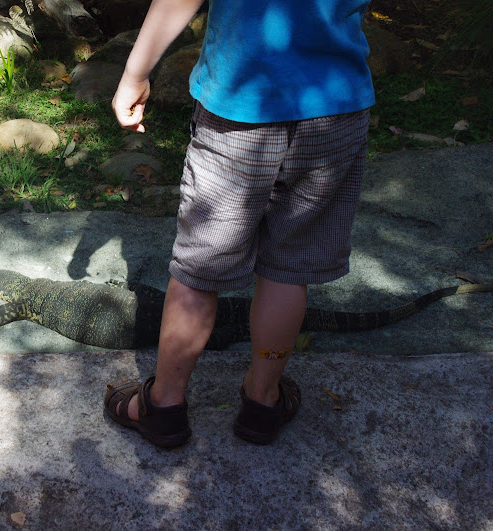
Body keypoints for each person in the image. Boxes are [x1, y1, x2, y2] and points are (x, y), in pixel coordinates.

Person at [103, 0, 375, 447]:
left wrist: (135, 73)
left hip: (238, 111)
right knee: (289, 268)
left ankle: (164, 406)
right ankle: (262, 401)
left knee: (199, 271)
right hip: (334, 108)